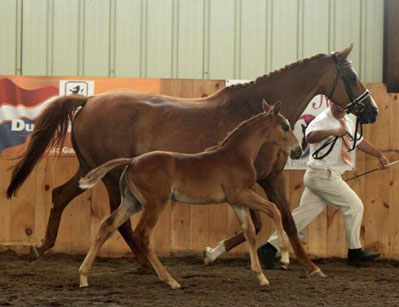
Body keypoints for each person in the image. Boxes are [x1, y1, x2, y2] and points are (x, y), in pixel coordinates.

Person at [257, 100, 389, 268]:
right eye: (337, 104)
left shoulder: (347, 120)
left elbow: (359, 141)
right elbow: (310, 136)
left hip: (324, 176)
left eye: (343, 105)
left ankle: (268, 248)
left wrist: (379, 155)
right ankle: (355, 251)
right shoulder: (321, 120)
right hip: (322, 175)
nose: (341, 108)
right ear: (329, 103)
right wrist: (333, 131)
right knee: (354, 206)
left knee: (301, 217)